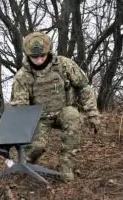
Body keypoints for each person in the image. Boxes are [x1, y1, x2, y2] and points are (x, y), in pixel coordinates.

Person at [9, 31, 101, 182]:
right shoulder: (22, 76)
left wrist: (92, 113)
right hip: (39, 117)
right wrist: (20, 135)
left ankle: (66, 165)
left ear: (49, 52)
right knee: (37, 147)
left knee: (73, 117)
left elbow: (84, 88)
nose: (39, 60)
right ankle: (26, 162)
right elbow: (21, 107)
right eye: (34, 57)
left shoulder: (64, 65)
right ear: (27, 55)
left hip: (63, 110)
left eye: (42, 56)